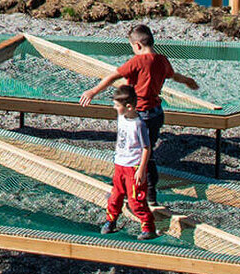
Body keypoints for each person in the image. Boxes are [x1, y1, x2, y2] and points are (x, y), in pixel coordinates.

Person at [78, 22, 202, 181]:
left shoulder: (137, 61)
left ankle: (145, 188)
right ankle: (142, 184)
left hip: (140, 114)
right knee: (148, 149)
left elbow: (112, 77)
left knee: (139, 153)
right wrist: (188, 81)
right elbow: (174, 76)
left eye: (132, 47)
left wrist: (93, 91)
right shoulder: (162, 60)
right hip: (156, 113)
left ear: (137, 45)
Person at [101, 79, 156, 237]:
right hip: (120, 164)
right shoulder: (122, 117)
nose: (114, 108)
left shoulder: (139, 125)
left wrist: (141, 170)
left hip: (133, 167)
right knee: (115, 195)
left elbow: (146, 148)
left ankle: (148, 227)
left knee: (135, 200)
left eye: (117, 105)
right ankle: (110, 220)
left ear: (129, 107)